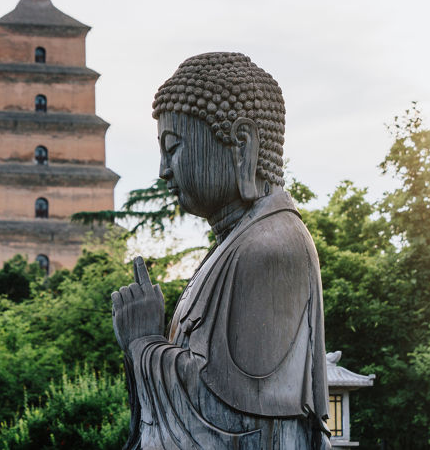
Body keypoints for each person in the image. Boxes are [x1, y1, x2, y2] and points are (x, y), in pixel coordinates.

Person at [112, 52, 331, 449]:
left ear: (242, 144)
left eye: (173, 146)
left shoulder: (270, 248)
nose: (163, 169)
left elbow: (230, 420)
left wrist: (143, 342)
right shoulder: (232, 247)